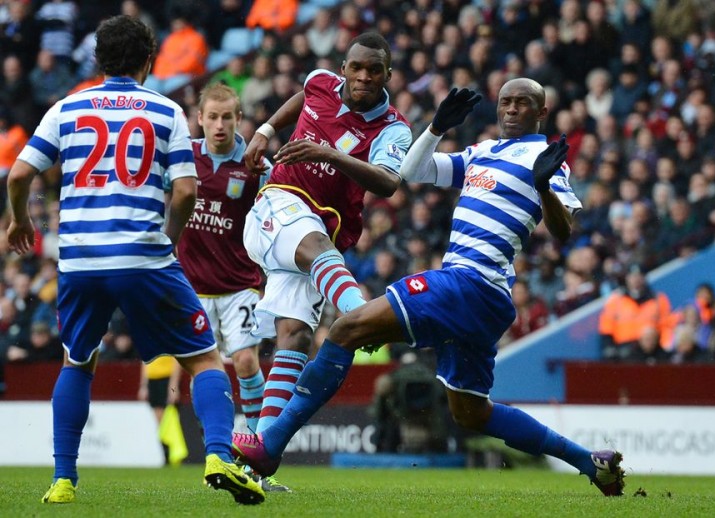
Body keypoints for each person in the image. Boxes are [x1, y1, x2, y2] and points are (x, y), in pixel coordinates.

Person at [233, 79, 626, 496]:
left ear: (540, 112)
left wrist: (544, 186)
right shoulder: (483, 152)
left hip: (466, 282)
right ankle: (589, 461)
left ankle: (270, 446)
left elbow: (564, 229)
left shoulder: (545, 159)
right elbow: (416, 171)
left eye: (523, 103)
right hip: (485, 298)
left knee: (346, 329)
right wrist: (436, 128)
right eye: (506, 102)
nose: (511, 109)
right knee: (472, 412)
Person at [5, 15, 264, 505]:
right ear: (149, 62)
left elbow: (19, 175)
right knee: (206, 357)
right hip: (142, 255)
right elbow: (186, 191)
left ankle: (63, 480)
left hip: (79, 259)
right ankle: (217, 456)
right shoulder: (165, 111)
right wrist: (168, 237)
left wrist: (19, 221)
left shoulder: (67, 107)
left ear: (99, 60)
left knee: (77, 362)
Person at [240, 32, 411, 450]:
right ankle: (364, 315)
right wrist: (264, 129)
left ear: (388, 75)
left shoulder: (394, 130)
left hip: (318, 238)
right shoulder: (319, 82)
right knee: (317, 246)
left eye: (375, 70)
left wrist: (331, 155)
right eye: (357, 67)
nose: (364, 77)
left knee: (296, 336)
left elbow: (389, 183)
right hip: (278, 207)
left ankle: (260, 455)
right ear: (343, 70)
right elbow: (303, 96)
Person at [174, 83, 287, 492]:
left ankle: (255, 455)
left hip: (240, 284)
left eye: (228, 117)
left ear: (240, 120)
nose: (219, 126)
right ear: (199, 118)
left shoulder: (257, 164)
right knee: (202, 369)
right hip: (191, 287)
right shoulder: (183, 155)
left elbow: (280, 211)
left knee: (243, 363)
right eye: (212, 117)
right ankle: (217, 453)